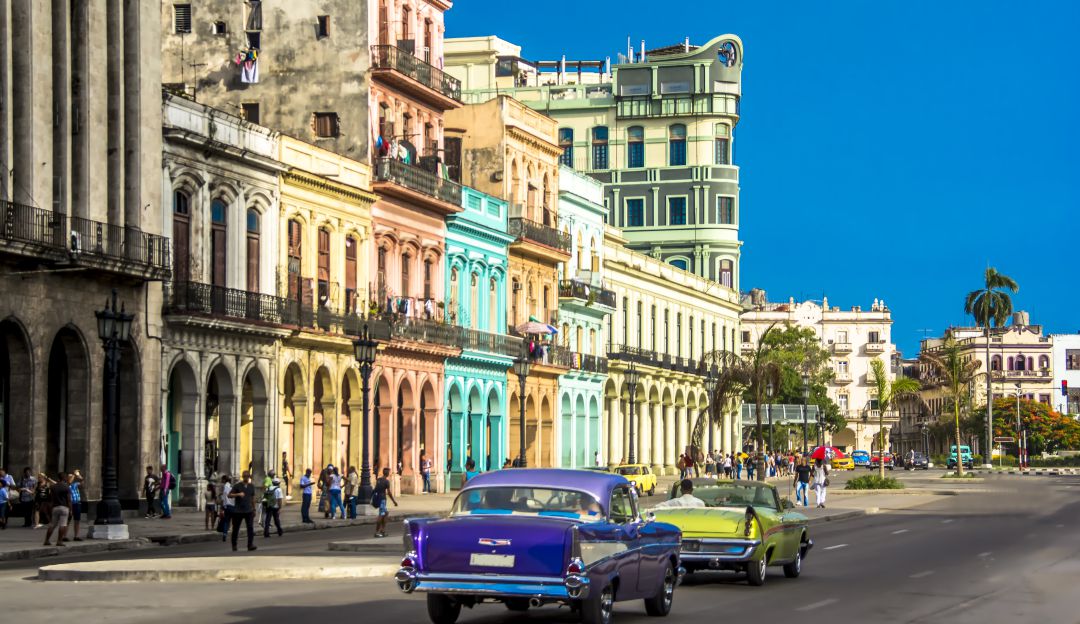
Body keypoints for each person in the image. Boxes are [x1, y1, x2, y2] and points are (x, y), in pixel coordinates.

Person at [228, 470, 257, 552]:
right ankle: (234, 545)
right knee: (236, 529)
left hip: (249, 510)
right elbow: (229, 495)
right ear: (242, 477)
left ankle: (250, 545)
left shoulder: (251, 486)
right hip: (238, 511)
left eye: (247, 476)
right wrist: (238, 494)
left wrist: (254, 509)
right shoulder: (237, 486)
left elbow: (253, 498)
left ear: (249, 477)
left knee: (250, 528)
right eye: (244, 476)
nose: (246, 478)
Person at [42, 473, 70, 546]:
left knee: (52, 525)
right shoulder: (66, 487)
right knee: (62, 525)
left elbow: (51, 498)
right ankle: (59, 541)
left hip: (55, 507)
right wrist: (70, 509)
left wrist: (51, 507)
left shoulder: (53, 487)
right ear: (64, 478)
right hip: (64, 507)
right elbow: (69, 500)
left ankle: (46, 540)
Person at [372, 467, 397, 538]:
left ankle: (382, 530)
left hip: (378, 499)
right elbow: (389, 493)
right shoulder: (386, 482)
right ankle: (377, 532)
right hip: (382, 500)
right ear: (388, 473)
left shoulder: (378, 480)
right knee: (381, 515)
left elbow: (376, 489)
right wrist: (394, 501)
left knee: (386, 513)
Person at [67, 470, 84, 541]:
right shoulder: (66, 485)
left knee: (77, 520)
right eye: (70, 477)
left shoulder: (75, 484)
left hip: (77, 503)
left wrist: (78, 475)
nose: (72, 478)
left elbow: (82, 482)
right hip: (69, 504)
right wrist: (74, 474)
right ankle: (64, 536)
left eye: (72, 477)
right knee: (67, 520)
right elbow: (69, 482)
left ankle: (76, 536)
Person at [219, 475, 233, 542]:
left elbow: (223, 498)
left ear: (224, 480)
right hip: (233, 506)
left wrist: (221, 508)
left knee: (226, 521)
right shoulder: (232, 486)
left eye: (222, 479)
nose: (221, 481)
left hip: (227, 506)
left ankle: (225, 534)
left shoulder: (225, 487)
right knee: (233, 521)